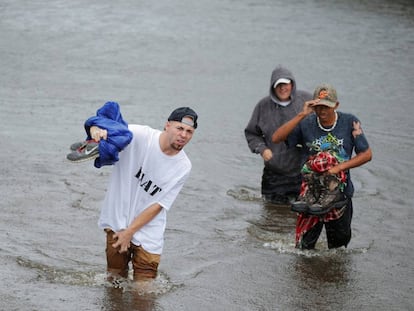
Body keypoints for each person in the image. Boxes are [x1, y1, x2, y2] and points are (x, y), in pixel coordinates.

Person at [86, 105, 198, 281]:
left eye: (189, 132)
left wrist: (130, 232)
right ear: (167, 125)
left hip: (149, 233)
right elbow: (104, 123)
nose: (184, 135)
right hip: (117, 222)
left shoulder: (183, 166)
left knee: (144, 296)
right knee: (114, 282)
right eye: (180, 128)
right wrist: (95, 130)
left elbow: (159, 205)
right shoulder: (139, 135)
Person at [272, 83, 372, 249]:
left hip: (339, 193)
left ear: (336, 105)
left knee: (339, 248)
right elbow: (276, 138)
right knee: (304, 250)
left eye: (326, 107)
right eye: (318, 107)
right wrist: (301, 115)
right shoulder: (306, 123)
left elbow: (367, 154)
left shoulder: (349, 122)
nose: (322, 111)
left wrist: (339, 168)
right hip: (311, 195)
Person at [245, 66, 312, 204]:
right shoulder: (263, 106)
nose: (283, 88)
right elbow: (252, 133)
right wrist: (262, 149)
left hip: (303, 172)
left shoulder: (306, 100)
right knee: (271, 215)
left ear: (292, 84)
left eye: (285, 84)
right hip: (274, 173)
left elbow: (323, 121)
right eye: (279, 85)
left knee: (300, 214)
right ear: (273, 87)